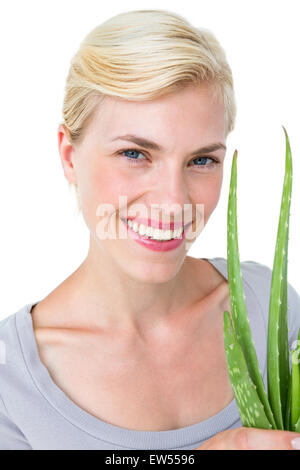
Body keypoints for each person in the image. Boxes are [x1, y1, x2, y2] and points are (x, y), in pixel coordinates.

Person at [1, 9, 300, 451]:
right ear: (69, 156)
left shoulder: (268, 307)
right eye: (135, 154)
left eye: (202, 160)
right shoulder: (11, 383)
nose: (173, 202)